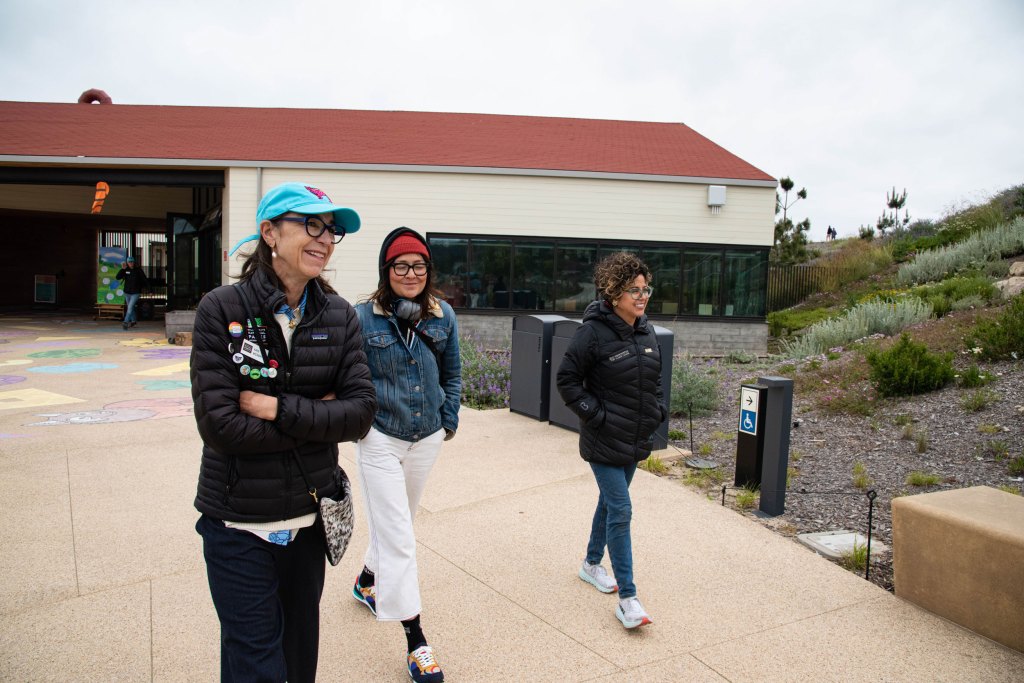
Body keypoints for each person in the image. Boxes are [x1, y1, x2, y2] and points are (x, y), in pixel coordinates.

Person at [190, 182, 377, 683]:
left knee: (297, 660)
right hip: (238, 523)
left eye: (331, 229)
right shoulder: (221, 309)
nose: (324, 239)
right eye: (311, 224)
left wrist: (276, 408)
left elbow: (360, 415)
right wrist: (319, 417)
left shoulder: (338, 316)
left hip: (307, 520)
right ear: (269, 232)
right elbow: (221, 426)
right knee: (256, 661)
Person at [352, 227, 461, 683]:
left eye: (418, 265)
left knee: (400, 521)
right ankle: (416, 640)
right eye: (401, 265)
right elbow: (350, 376)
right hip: (381, 438)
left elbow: (453, 371)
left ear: (428, 270)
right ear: (386, 270)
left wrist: (448, 418)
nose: (410, 273)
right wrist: (360, 424)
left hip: (427, 437)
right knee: (399, 536)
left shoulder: (442, 315)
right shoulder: (363, 318)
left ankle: (366, 580)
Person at [556, 251, 665, 630]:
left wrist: (657, 411)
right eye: (633, 290)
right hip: (604, 441)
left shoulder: (646, 330)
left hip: (634, 439)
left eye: (645, 288)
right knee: (621, 510)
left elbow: (655, 380)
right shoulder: (592, 332)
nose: (642, 296)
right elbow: (567, 380)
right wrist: (595, 416)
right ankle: (629, 599)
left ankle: (590, 563)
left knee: (608, 503)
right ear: (613, 292)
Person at [115, 256, 149, 329]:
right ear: (127, 263)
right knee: (131, 307)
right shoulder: (125, 270)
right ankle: (133, 321)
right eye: (129, 262)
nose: (131, 263)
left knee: (130, 307)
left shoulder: (138, 270)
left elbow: (145, 280)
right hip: (127, 292)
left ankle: (126, 322)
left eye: (132, 262)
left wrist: (149, 290)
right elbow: (117, 277)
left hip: (136, 292)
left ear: (134, 262)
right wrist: (122, 269)